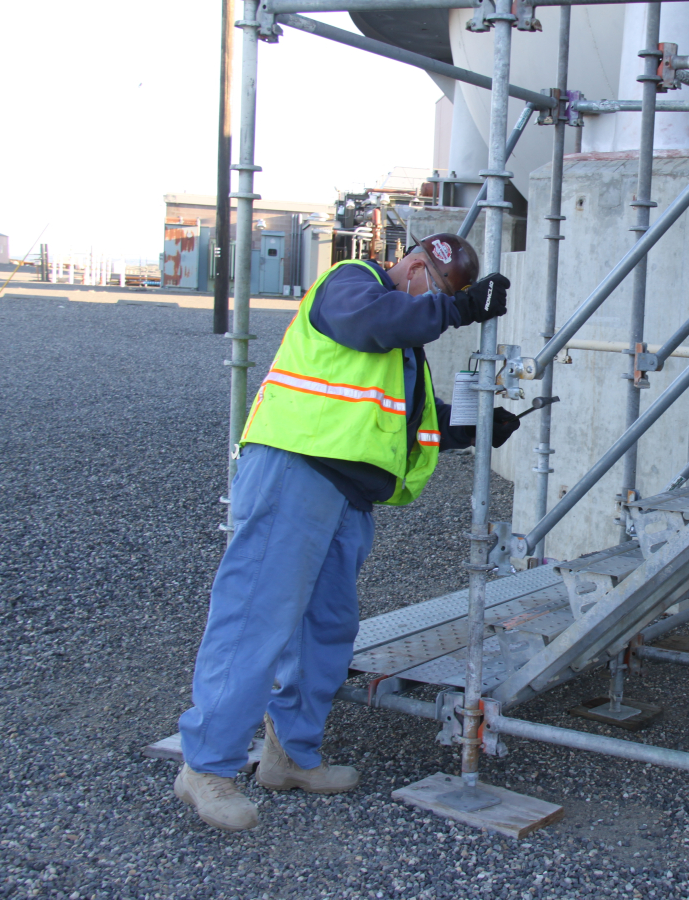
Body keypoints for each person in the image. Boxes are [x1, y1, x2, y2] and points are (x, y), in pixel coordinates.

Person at [173, 233, 517, 832]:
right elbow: (375, 322)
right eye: (437, 291)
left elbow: (401, 416)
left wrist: (471, 428)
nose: (436, 306)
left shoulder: (399, 337)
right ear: (413, 267)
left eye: (446, 299)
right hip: (295, 469)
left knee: (326, 630)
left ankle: (290, 756)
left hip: (345, 494)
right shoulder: (353, 285)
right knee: (256, 617)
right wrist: (459, 309)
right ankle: (206, 765)